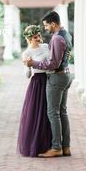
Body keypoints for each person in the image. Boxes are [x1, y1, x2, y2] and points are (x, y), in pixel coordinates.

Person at [25, 11, 73, 157]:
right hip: (65, 75)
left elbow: (53, 63)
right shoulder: (67, 34)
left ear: (53, 23)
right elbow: (65, 56)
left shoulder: (57, 38)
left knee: (53, 113)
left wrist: (33, 63)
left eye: (46, 25)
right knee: (62, 112)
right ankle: (66, 147)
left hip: (57, 77)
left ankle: (56, 147)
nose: (45, 28)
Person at [17, 25, 52, 157]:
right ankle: (36, 145)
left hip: (49, 79)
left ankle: (50, 144)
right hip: (37, 83)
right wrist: (27, 66)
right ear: (29, 38)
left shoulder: (45, 46)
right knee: (38, 113)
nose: (38, 38)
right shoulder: (27, 53)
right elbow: (27, 75)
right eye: (35, 37)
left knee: (50, 112)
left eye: (38, 36)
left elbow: (51, 62)